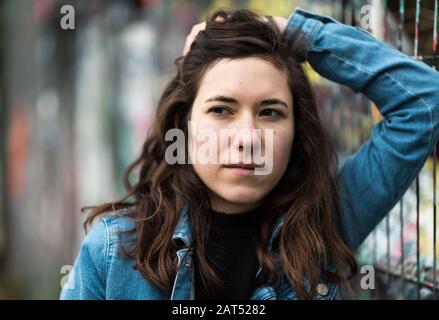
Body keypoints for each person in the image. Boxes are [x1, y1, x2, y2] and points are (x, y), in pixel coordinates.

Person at [60, 7, 439, 300]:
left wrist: (292, 33)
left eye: (270, 112)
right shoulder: (115, 252)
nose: (248, 139)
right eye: (221, 110)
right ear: (184, 124)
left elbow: (424, 101)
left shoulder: (328, 222)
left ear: (297, 132)